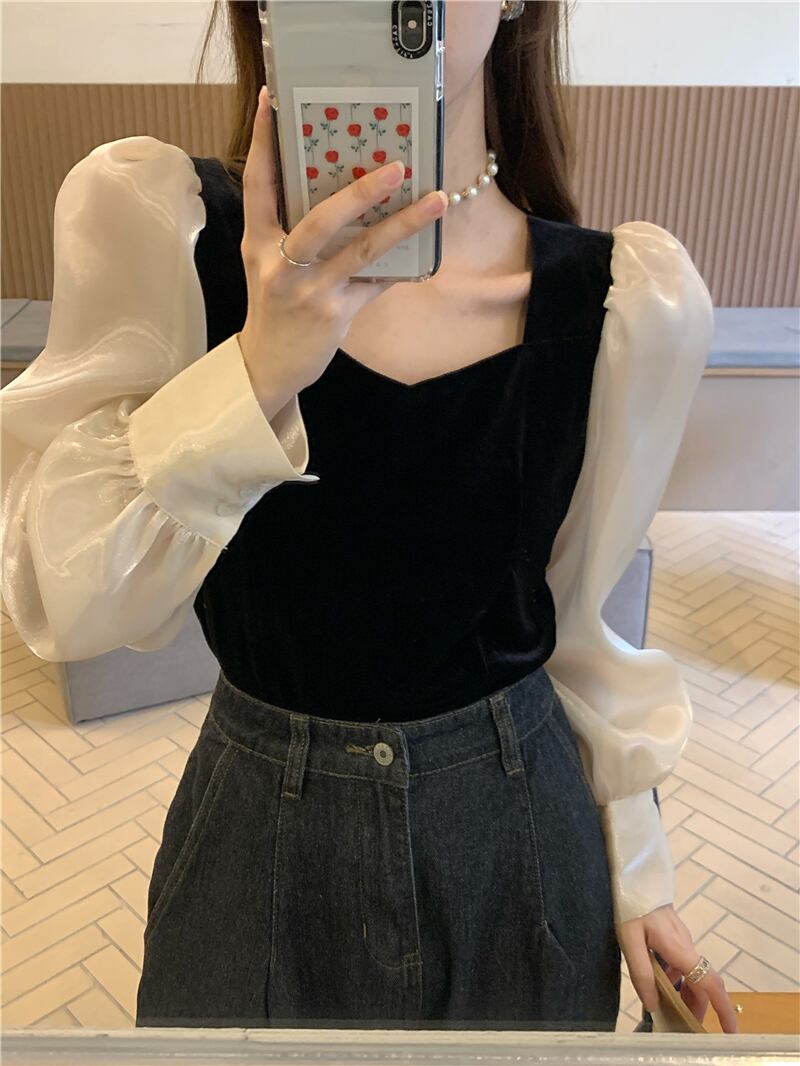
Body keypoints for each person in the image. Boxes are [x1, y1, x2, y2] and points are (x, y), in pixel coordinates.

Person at [0, 0, 738, 1034]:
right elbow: (63, 598)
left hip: (521, 846)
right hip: (258, 840)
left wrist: (640, 870)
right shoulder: (162, 228)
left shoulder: (620, 305)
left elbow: (571, 629)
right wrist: (256, 369)